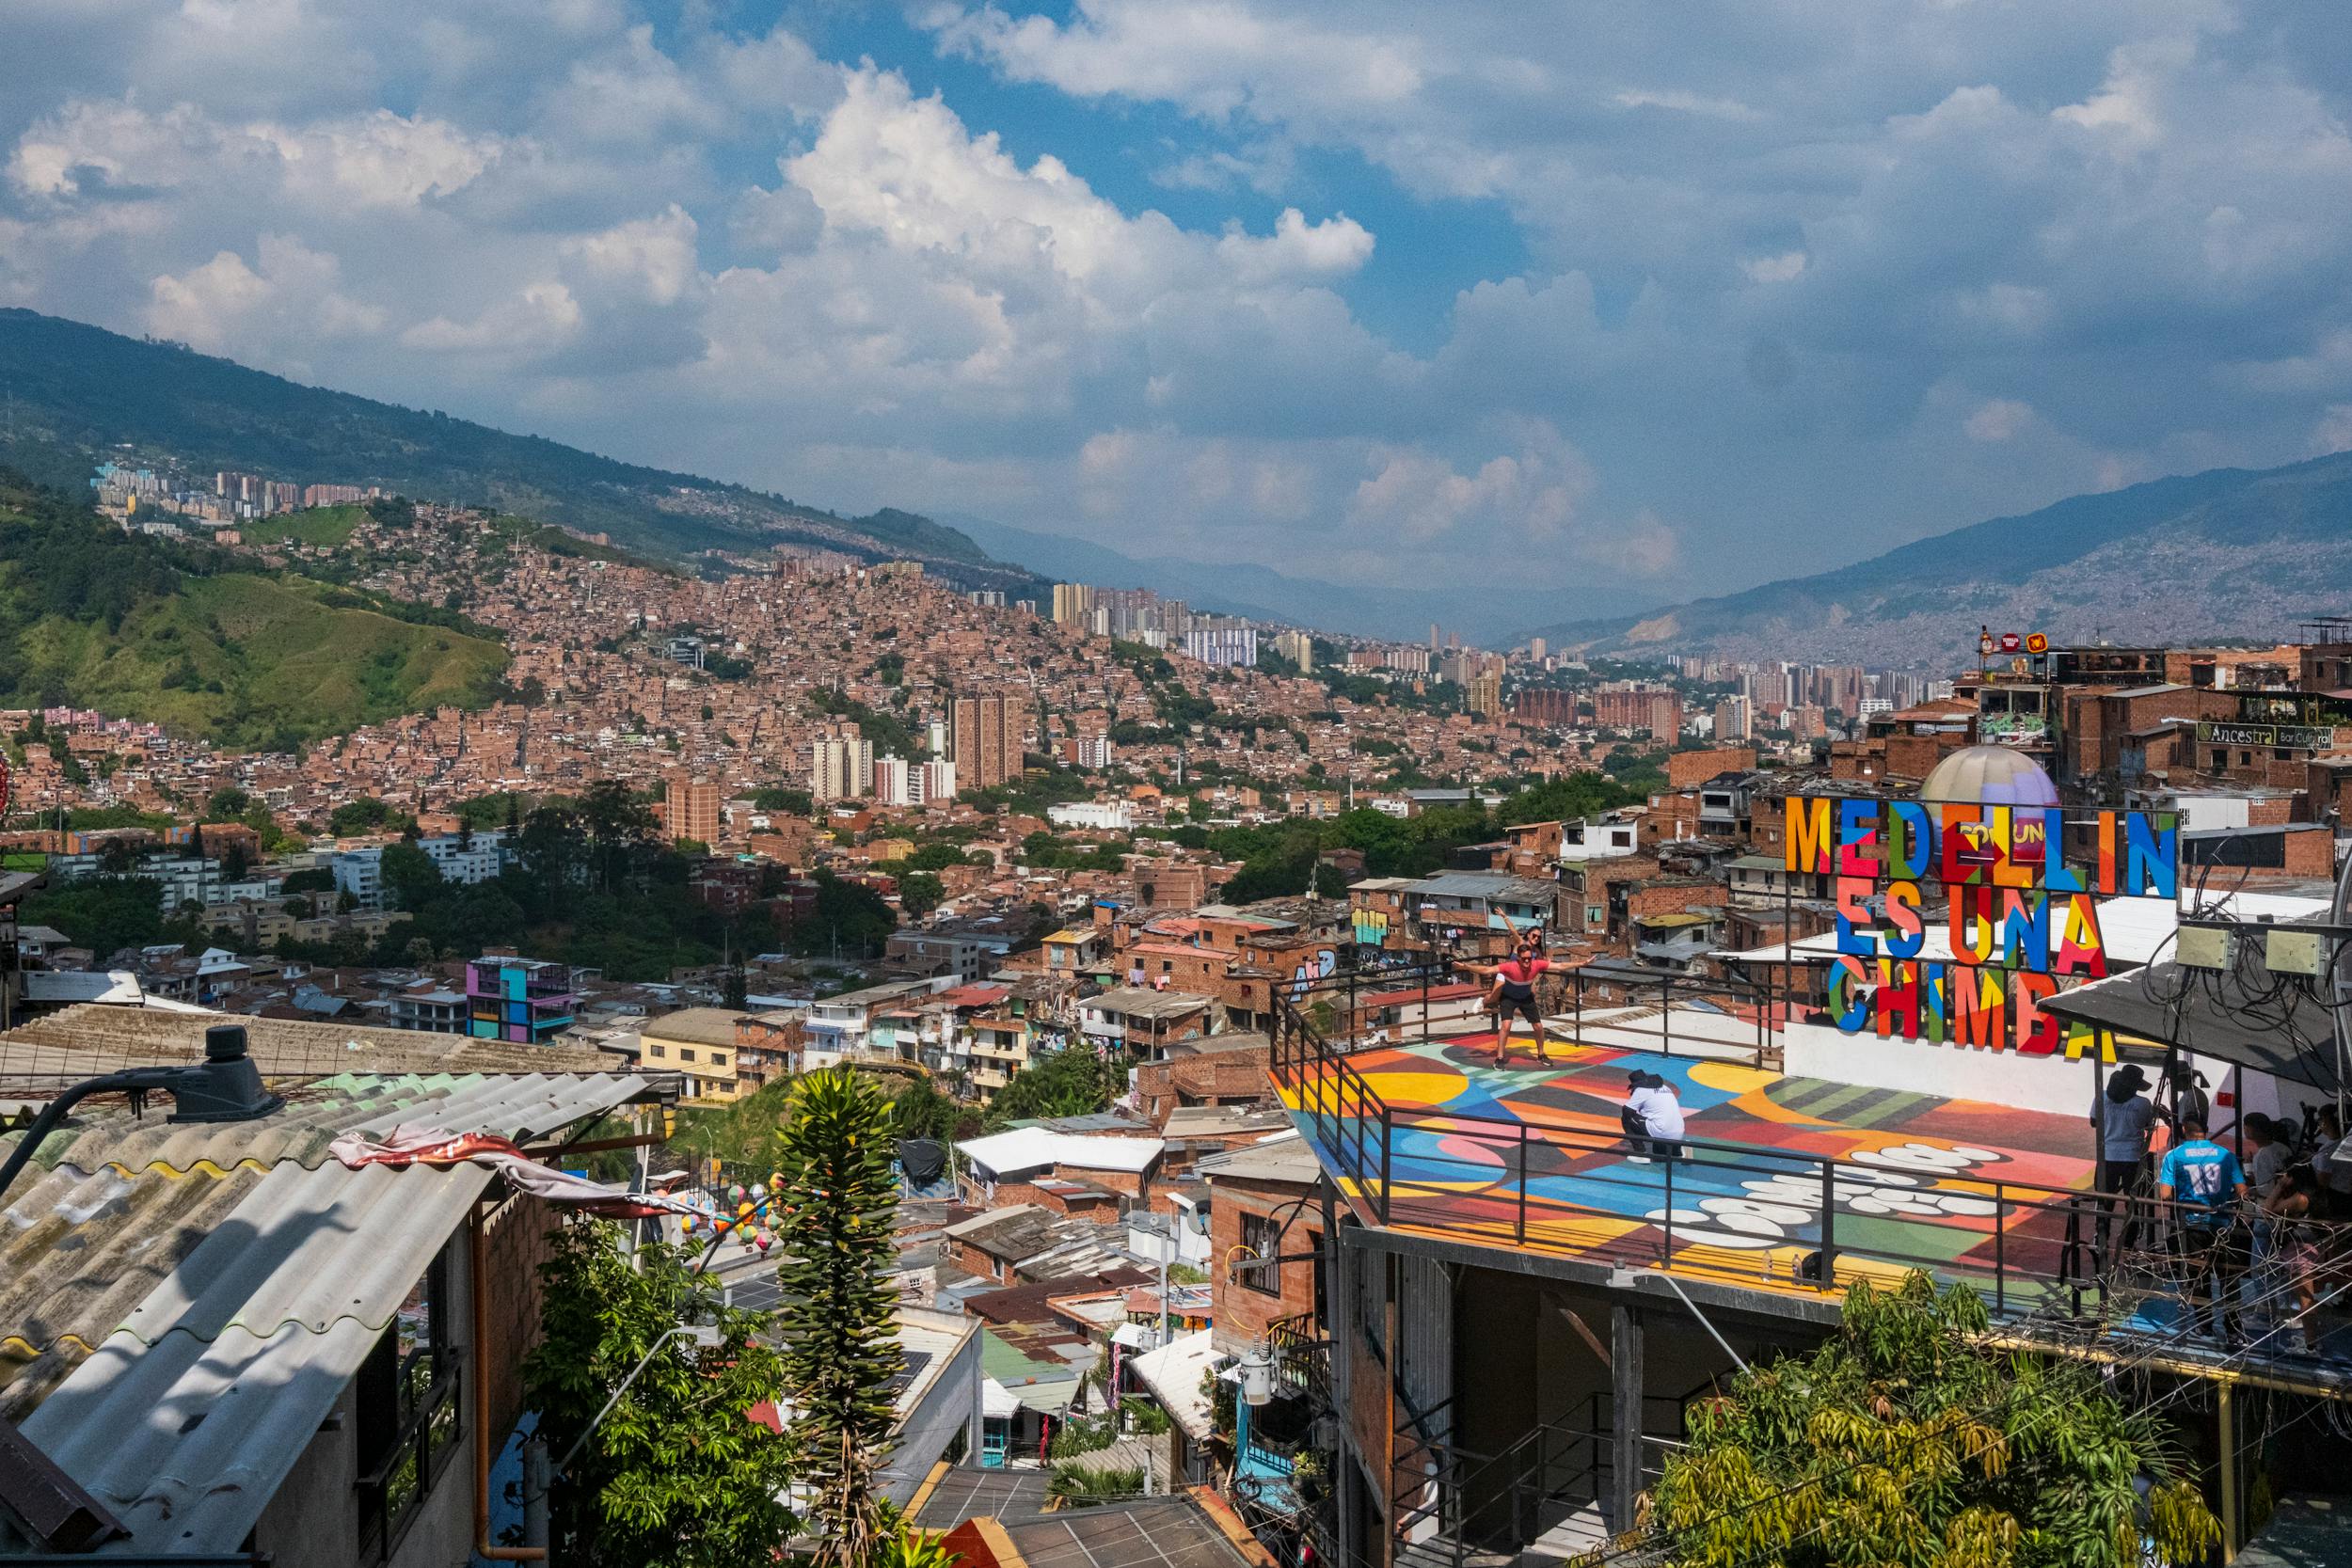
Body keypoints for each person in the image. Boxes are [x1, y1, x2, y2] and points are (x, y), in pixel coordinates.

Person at [2156, 1114, 2249, 1341]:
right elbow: (2242, 1191)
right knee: (2229, 1279)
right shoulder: (2225, 1155)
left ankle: (2205, 1326)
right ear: (2206, 1129)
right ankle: (2233, 1330)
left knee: (2198, 1276)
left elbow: (2165, 1194)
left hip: (2194, 1224)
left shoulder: (2174, 1156)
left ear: (2183, 1129)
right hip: (2223, 1224)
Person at [2089, 1064, 2157, 1263]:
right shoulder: (2142, 1103)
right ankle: (2128, 1242)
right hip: (2132, 1158)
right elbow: (2147, 1125)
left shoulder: (2101, 1096)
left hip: (2107, 1155)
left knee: (2104, 1200)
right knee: (2133, 1203)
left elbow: (2094, 1121)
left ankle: (2100, 1235)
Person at [2260, 1164, 2324, 1354]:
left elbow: (2267, 1211)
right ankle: (2311, 1339)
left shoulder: (2299, 1199)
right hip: (2311, 1245)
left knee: (2306, 1297)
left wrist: (2279, 1186)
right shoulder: (2315, 1194)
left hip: (2300, 1251)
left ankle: (2312, 1344)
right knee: (2306, 1295)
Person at [1485, 933, 1553, 1067]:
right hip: (1508, 984)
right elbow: (1487, 969)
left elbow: (1556, 966)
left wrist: (1581, 963)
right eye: (1534, 936)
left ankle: (1541, 1054)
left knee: (1538, 1026)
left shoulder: (1534, 955)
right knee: (1503, 1018)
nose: (1536, 938)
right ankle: (1499, 1058)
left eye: (1538, 937)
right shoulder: (1520, 946)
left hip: (1523, 991)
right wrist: (1504, 917)